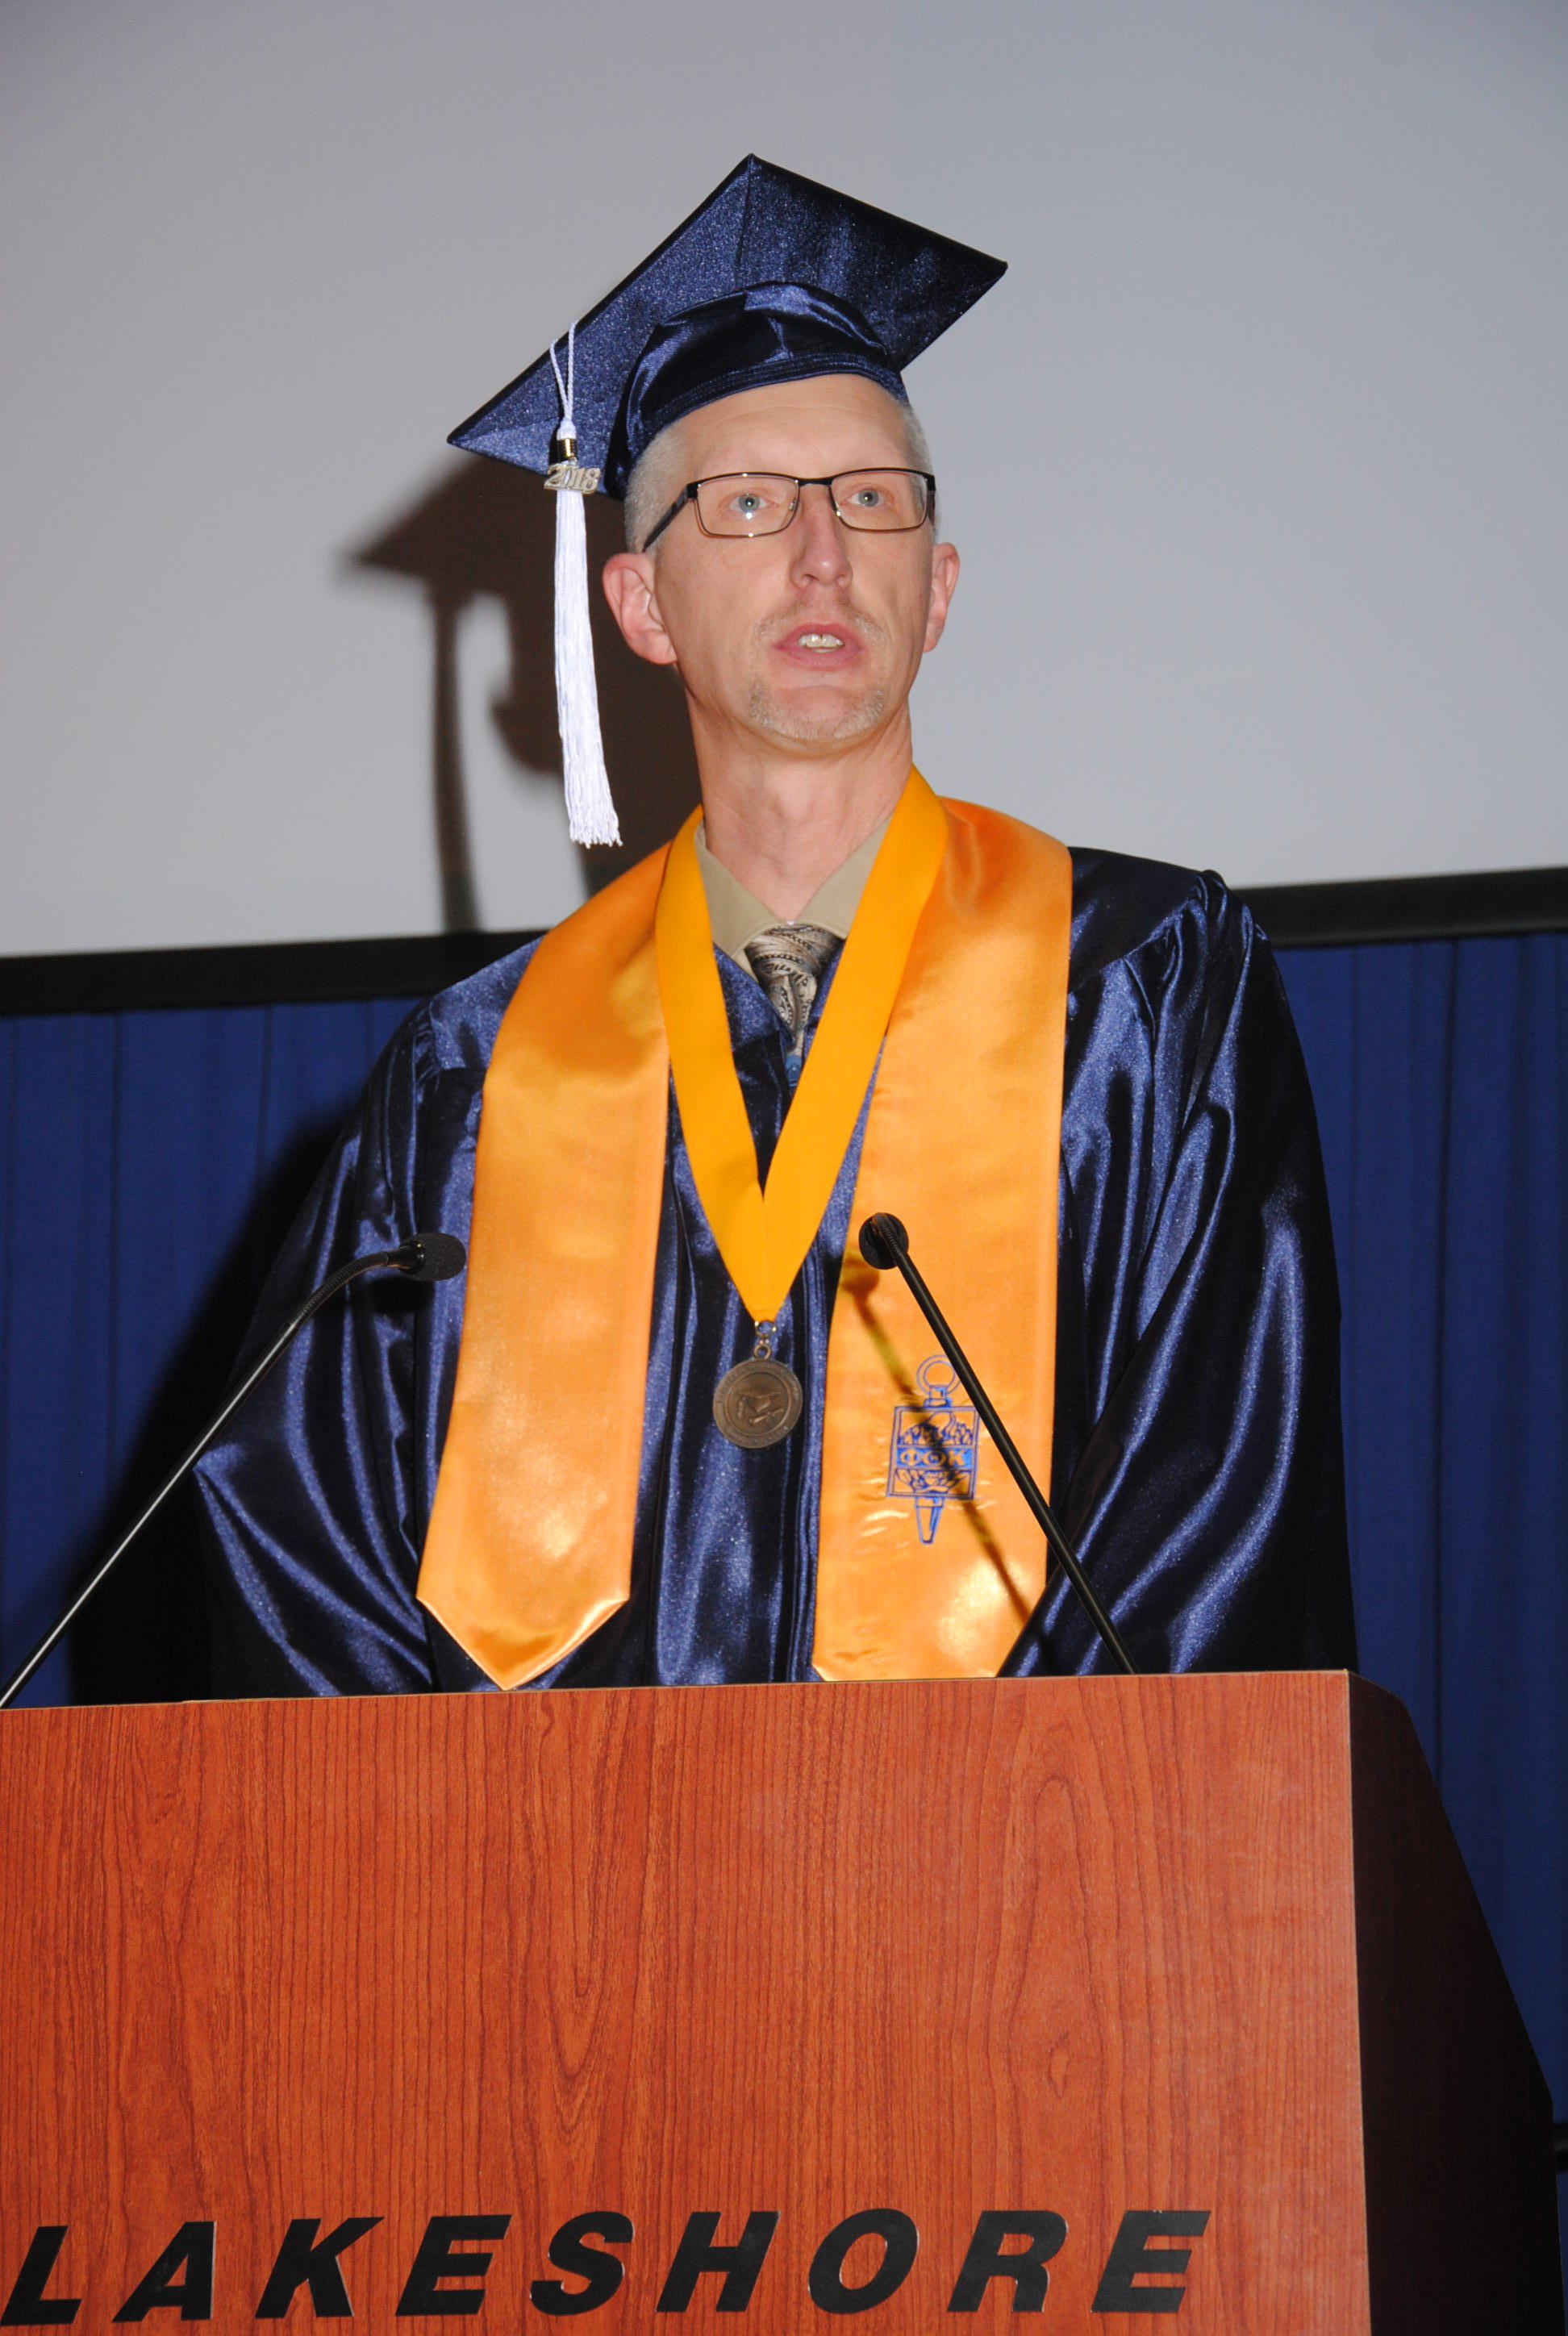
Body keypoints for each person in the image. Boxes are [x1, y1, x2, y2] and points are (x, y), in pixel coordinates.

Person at [196, 156, 1356, 1695]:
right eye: (745, 504)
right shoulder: (481, 1073)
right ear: (641, 606)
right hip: (557, 1912)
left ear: (938, 588)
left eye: (872, 503)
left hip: (1018, 1897)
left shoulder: (1143, 986)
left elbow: (1216, 1503)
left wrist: (1019, 1862)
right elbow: (307, 1568)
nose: (823, 554)